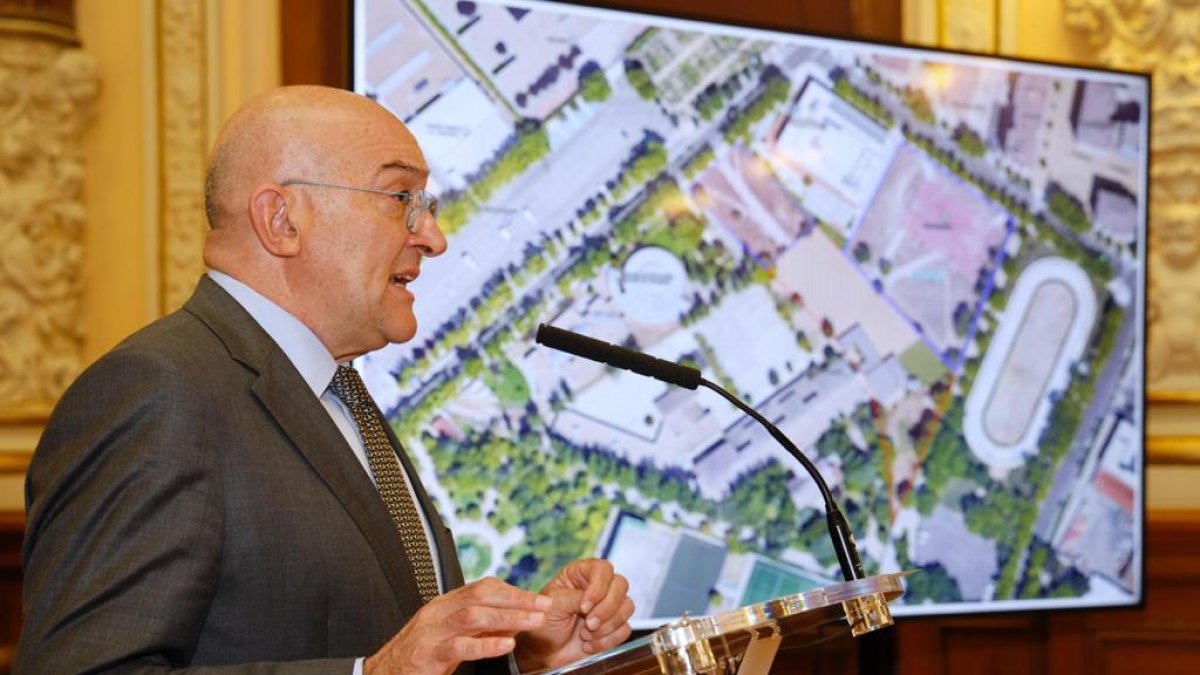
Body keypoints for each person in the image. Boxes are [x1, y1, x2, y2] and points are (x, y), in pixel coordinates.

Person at [16, 86, 634, 674]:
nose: (433, 237)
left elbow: (385, 639)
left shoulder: (338, 392)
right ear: (281, 219)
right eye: (400, 199)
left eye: (429, 206)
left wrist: (523, 655)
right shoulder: (156, 393)